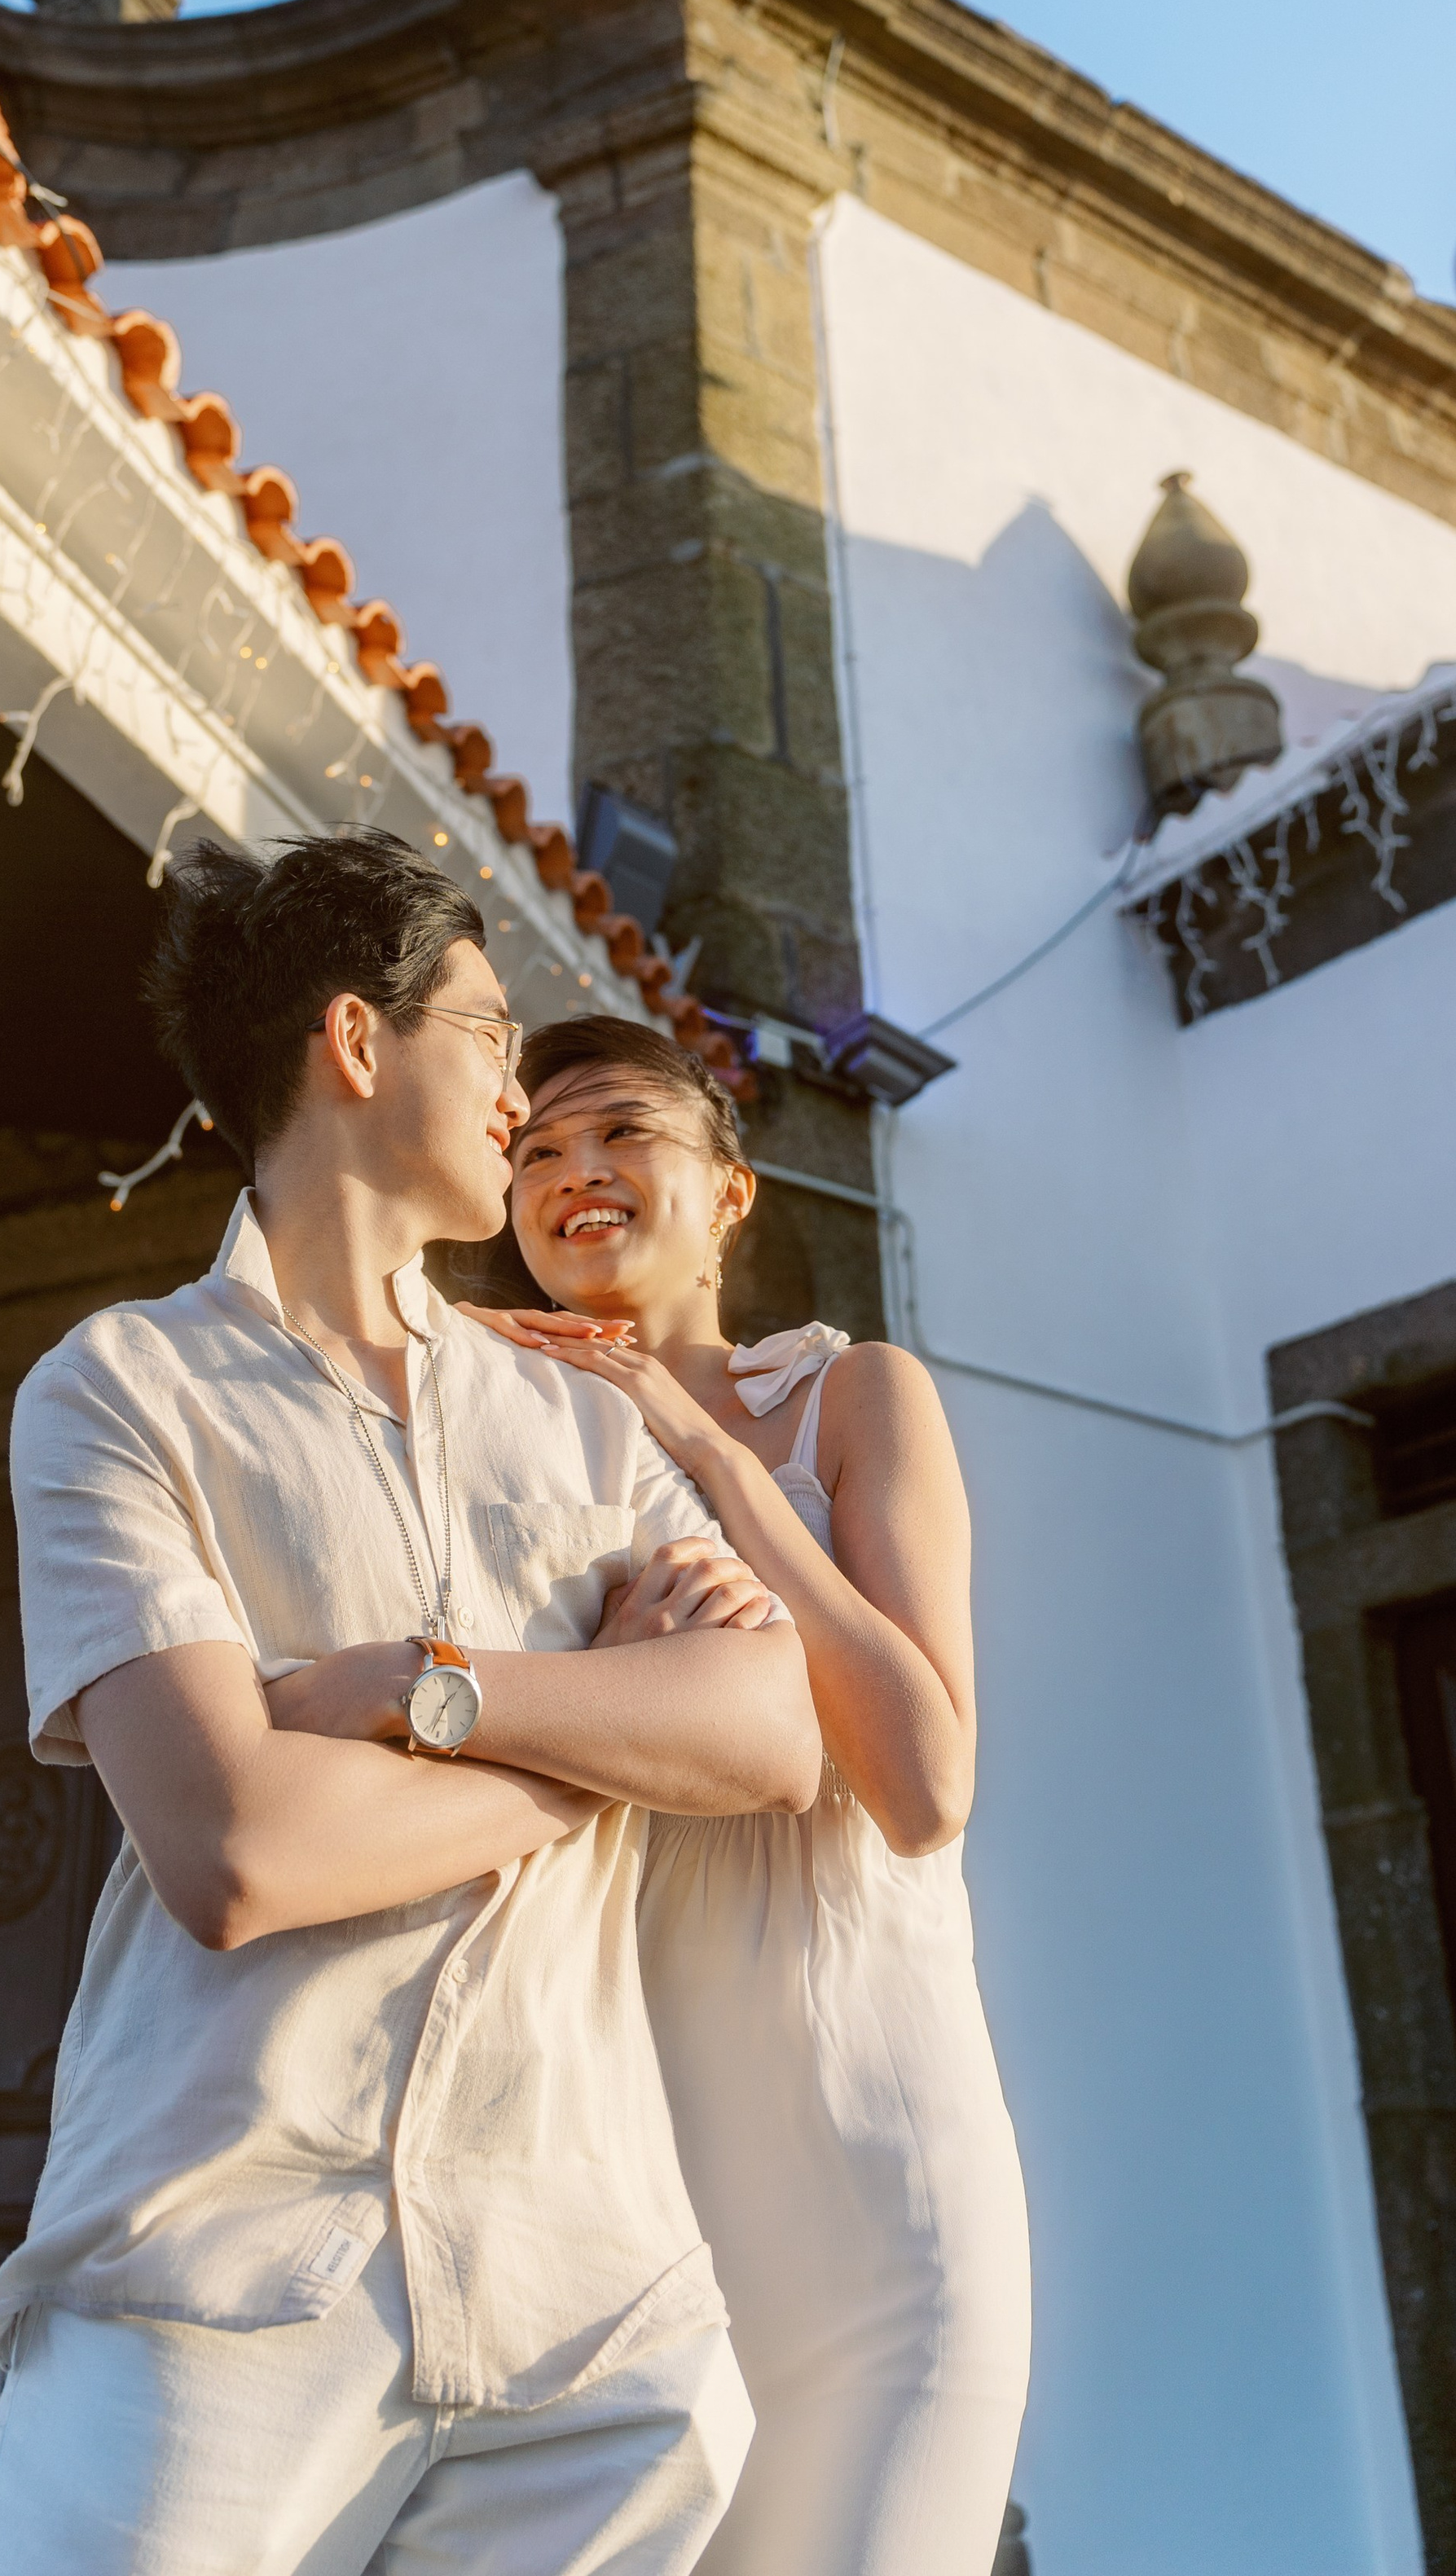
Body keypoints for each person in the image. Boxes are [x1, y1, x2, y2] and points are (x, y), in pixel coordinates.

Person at [0, 835, 823, 2576]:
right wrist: (596, 1750)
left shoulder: (582, 1404)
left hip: (591, 2321)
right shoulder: (120, 1389)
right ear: (357, 1039)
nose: (520, 1092)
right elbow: (235, 1851)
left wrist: (419, 1698)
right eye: (493, 1034)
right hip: (212, 2286)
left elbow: (770, 1735)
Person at [468, 1015, 1032, 2576]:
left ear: (729, 1191)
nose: (574, 1171)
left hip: (876, 2191)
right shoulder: (488, 1434)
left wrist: (710, 1457)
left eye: (620, 1132)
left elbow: (923, 1785)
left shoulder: (853, 1398)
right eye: (535, 1151)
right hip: (612, 2216)